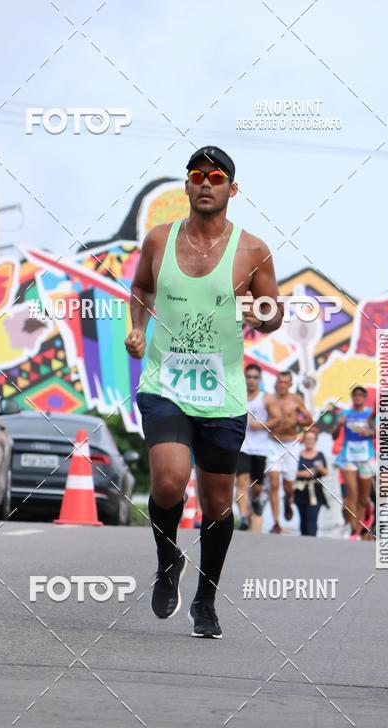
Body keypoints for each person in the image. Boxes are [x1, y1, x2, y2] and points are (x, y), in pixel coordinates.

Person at [125, 146, 282, 638]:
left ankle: (206, 599)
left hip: (223, 394)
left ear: (232, 189)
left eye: (216, 177)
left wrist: (259, 313)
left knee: (217, 504)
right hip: (165, 383)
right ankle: (167, 559)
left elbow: (274, 311)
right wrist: (135, 328)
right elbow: (140, 288)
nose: (206, 183)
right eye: (197, 176)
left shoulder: (253, 250)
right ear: (187, 187)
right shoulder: (158, 240)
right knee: (170, 481)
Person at [235, 363, 280, 530]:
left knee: (257, 487)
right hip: (242, 446)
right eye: (248, 377)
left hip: (260, 448)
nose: (251, 380)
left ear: (259, 380)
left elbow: (277, 418)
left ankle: (256, 500)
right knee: (242, 481)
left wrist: (261, 425)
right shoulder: (237, 394)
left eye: (255, 377)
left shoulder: (266, 398)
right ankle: (244, 517)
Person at [267, 370, 311, 533]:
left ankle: (288, 500)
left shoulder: (296, 400)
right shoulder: (270, 399)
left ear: (291, 384)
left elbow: (309, 420)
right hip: (272, 443)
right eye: (280, 381)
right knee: (273, 483)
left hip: (291, 444)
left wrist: (298, 419)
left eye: (285, 382)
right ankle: (276, 522)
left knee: (288, 486)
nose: (282, 385)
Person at [332, 386, 376, 539]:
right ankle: (354, 529)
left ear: (364, 398)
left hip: (366, 457)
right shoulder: (345, 414)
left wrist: (370, 432)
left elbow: (383, 432)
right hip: (348, 456)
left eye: (360, 395)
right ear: (352, 398)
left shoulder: (371, 413)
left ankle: (368, 510)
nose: (357, 397)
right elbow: (334, 435)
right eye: (355, 395)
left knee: (363, 498)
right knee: (352, 493)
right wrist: (338, 425)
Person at [293, 430, 329, 536]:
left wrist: (320, 468)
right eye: (307, 439)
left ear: (316, 441)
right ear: (303, 440)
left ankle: (312, 542)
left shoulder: (320, 455)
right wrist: (306, 473)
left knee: (312, 518)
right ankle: (304, 542)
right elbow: (291, 472)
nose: (309, 441)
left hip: (315, 492)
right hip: (300, 491)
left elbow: (326, 472)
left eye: (312, 439)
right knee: (303, 519)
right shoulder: (297, 455)